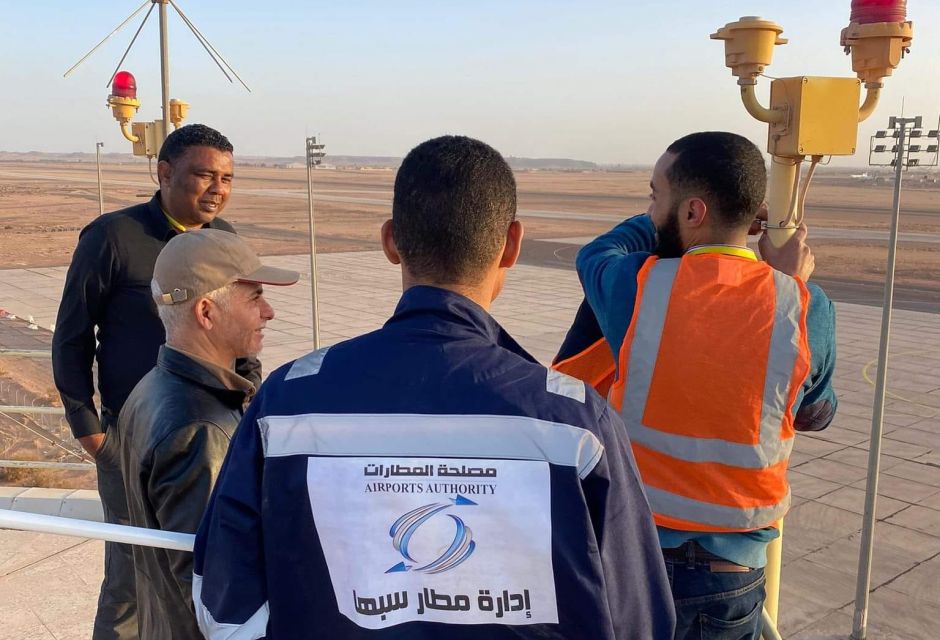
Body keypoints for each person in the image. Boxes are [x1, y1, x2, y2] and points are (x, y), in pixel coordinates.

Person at [192, 135, 676, 639]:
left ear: (391, 241)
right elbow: (638, 620)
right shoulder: (575, 423)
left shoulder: (286, 405)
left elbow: (224, 608)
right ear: (512, 244)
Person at [554, 131, 838, 640]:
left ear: (692, 211)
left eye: (655, 196)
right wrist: (789, 283)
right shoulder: (805, 306)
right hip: (731, 576)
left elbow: (597, 253)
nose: (651, 209)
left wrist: (653, 224)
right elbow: (816, 412)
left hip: (636, 559)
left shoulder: (638, 286)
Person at [51, 123, 258, 640]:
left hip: (211, 437)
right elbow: (72, 337)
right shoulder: (113, 236)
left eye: (227, 178)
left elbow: (242, 333)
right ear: (164, 173)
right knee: (130, 580)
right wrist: (90, 430)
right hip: (133, 435)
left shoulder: (224, 240)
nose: (218, 189)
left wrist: (249, 397)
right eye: (205, 175)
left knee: (206, 570)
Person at [116, 229, 298, 639]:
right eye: (254, 298)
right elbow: (215, 594)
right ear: (206, 312)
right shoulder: (200, 428)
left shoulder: (150, 390)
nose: (268, 311)